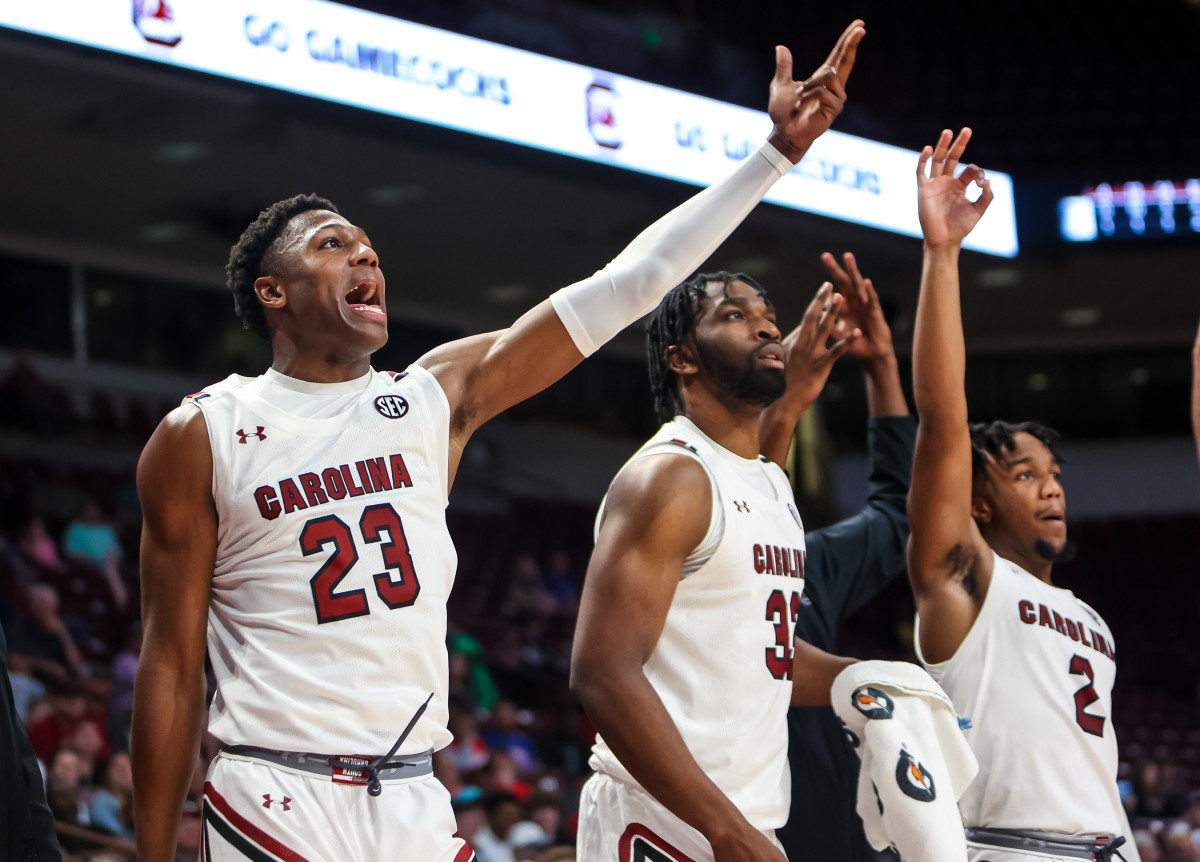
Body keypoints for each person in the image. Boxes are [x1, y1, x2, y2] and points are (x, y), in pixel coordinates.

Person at [131, 20, 867, 862]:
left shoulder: (433, 398)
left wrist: (772, 156)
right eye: (332, 243)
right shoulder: (203, 432)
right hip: (276, 792)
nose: (364, 251)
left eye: (367, 243)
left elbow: (629, 286)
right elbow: (168, 664)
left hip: (410, 793)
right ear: (272, 290)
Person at [570, 269, 865, 861]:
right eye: (734, 315)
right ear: (682, 358)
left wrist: (866, 681)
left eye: (767, 315)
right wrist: (723, 829)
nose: (764, 324)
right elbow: (602, 672)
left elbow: (762, 654)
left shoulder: (768, 483)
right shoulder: (673, 475)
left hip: (740, 819)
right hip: (661, 816)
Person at [907, 128, 1139, 862]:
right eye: (1026, 474)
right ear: (977, 504)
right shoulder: (966, 580)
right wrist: (943, 254)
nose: (1053, 490)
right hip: (1011, 850)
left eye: (1057, 476)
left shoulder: (1092, 619)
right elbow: (944, 414)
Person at [770, 253, 915, 862]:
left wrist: (882, 365)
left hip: (845, 833)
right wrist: (787, 402)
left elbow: (895, 513)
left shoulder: (810, 563)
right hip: (745, 829)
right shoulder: (670, 523)